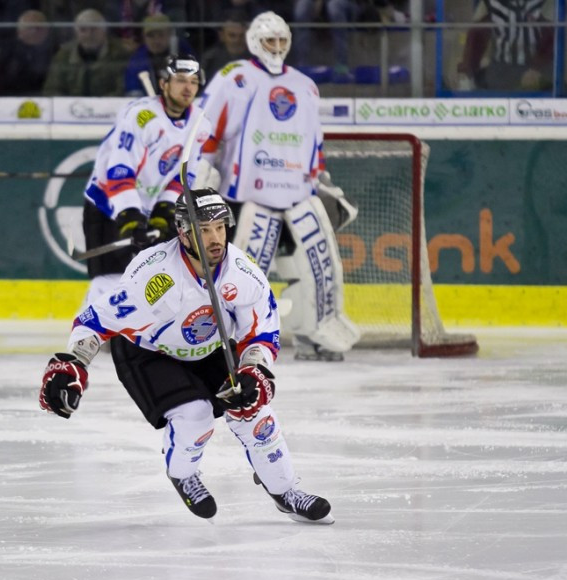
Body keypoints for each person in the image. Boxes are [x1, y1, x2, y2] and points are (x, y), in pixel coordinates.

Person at [39, 187, 335, 525]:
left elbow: (261, 332)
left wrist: (255, 370)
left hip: (209, 348)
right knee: (195, 416)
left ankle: (285, 491)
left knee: (256, 414)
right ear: (183, 232)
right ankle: (183, 474)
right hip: (149, 353)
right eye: (204, 230)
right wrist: (72, 365)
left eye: (220, 228)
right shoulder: (155, 276)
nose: (215, 238)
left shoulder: (243, 273)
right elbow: (97, 321)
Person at [200, 11, 361, 362]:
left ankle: (316, 332)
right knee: (245, 269)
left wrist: (322, 179)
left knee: (320, 267)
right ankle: (228, 335)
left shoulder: (305, 85)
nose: (275, 48)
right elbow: (205, 130)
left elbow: (313, 141)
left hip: (299, 193)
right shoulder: (235, 78)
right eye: (269, 41)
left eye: (281, 41)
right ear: (255, 41)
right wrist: (202, 176)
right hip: (250, 196)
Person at [80, 54, 211, 308]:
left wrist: (166, 208)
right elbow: (119, 169)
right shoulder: (140, 117)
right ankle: (90, 333)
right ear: (163, 84)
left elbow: (184, 174)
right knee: (110, 279)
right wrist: (129, 215)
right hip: (107, 204)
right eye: (181, 80)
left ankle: (133, 338)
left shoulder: (200, 124)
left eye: (194, 82)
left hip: (149, 207)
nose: (188, 88)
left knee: (152, 277)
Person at [456, 0, 553, 92]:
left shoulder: (546, 3)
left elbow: (554, 37)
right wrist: (467, 72)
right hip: (501, 71)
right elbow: (476, 37)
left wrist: (537, 68)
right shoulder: (489, 3)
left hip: (541, 71)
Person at [42, 8, 131, 97]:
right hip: (71, 108)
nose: (89, 34)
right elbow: (52, 90)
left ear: (104, 31)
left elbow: (123, 90)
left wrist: (99, 106)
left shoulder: (120, 54)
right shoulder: (63, 55)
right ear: (76, 33)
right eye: (83, 30)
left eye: (94, 29)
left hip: (108, 108)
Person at [0, 9, 55, 96]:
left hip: (42, 97)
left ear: (47, 30)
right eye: (30, 28)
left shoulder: (54, 50)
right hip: (10, 97)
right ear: (19, 31)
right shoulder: (7, 50)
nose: (34, 31)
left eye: (39, 28)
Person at [122, 13, 194, 96]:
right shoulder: (137, 60)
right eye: (151, 36)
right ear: (144, 38)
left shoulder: (185, 53)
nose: (156, 41)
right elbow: (133, 92)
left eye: (161, 35)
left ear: (170, 34)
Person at [200, 10, 251, 76]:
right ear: (222, 35)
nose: (237, 40)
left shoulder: (258, 59)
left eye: (242, 35)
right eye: (232, 35)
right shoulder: (209, 60)